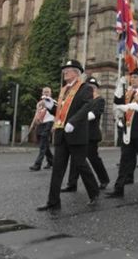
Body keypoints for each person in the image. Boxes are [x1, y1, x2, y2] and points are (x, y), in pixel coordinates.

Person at [37, 59, 99, 211]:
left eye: (68, 69)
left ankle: (94, 192)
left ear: (77, 73)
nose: (65, 72)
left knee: (81, 165)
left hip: (76, 133)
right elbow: (62, 111)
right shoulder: (64, 90)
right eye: (64, 69)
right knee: (57, 168)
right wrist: (52, 106)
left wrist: (73, 122)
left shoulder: (85, 88)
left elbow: (86, 107)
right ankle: (53, 202)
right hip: (61, 134)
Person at [106, 69, 138, 198]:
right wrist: (118, 87)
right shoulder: (128, 92)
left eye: (135, 77)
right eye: (131, 77)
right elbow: (118, 102)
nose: (132, 79)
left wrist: (127, 107)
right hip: (128, 131)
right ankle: (119, 188)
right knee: (125, 160)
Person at [61, 77, 110, 192]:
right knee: (75, 159)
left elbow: (94, 114)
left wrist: (77, 119)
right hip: (79, 133)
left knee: (93, 158)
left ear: (97, 89)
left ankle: (104, 179)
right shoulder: (82, 99)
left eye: (93, 87)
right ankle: (72, 184)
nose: (91, 89)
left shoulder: (99, 100)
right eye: (89, 87)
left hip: (92, 135)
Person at [29, 87, 56, 171]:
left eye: (48, 92)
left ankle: (37, 165)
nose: (46, 93)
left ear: (51, 94)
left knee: (43, 145)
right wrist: (32, 125)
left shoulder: (53, 102)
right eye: (44, 92)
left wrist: (54, 126)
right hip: (41, 124)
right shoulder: (39, 103)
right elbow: (36, 114)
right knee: (45, 145)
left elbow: (57, 114)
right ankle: (52, 161)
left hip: (49, 123)